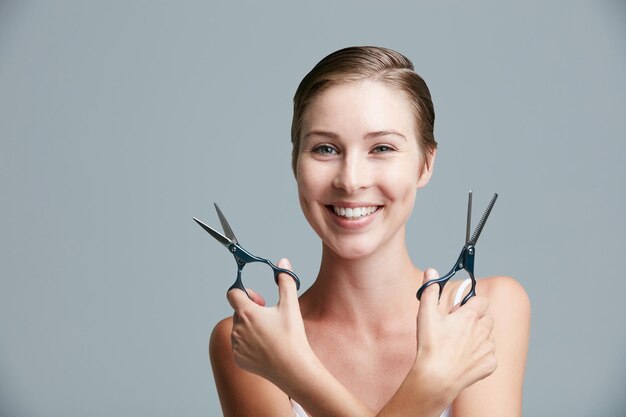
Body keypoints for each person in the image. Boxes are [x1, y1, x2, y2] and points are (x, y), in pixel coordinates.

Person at [210, 46, 530, 417]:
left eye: (381, 148)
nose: (351, 180)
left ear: (425, 165)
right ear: (296, 163)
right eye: (326, 148)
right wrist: (429, 386)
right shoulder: (251, 339)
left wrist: (298, 376)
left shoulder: (483, 308)